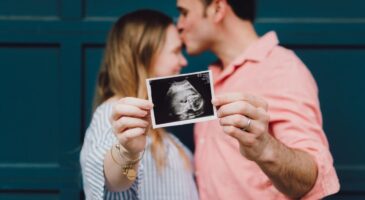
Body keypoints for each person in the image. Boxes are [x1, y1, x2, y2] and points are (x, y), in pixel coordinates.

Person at [173, 0, 340, 199]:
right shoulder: (210, 77)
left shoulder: (281, 69)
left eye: (184, 12)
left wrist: (264, 147)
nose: (179, 25)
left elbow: (310, 181)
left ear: (217, 9)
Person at [80, 9, 199, 200]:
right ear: (145, 53)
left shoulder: (163, 133)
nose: (183, 61)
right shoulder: (114, 115)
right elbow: (115, 182)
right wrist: (128, 152)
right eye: (176, 51)